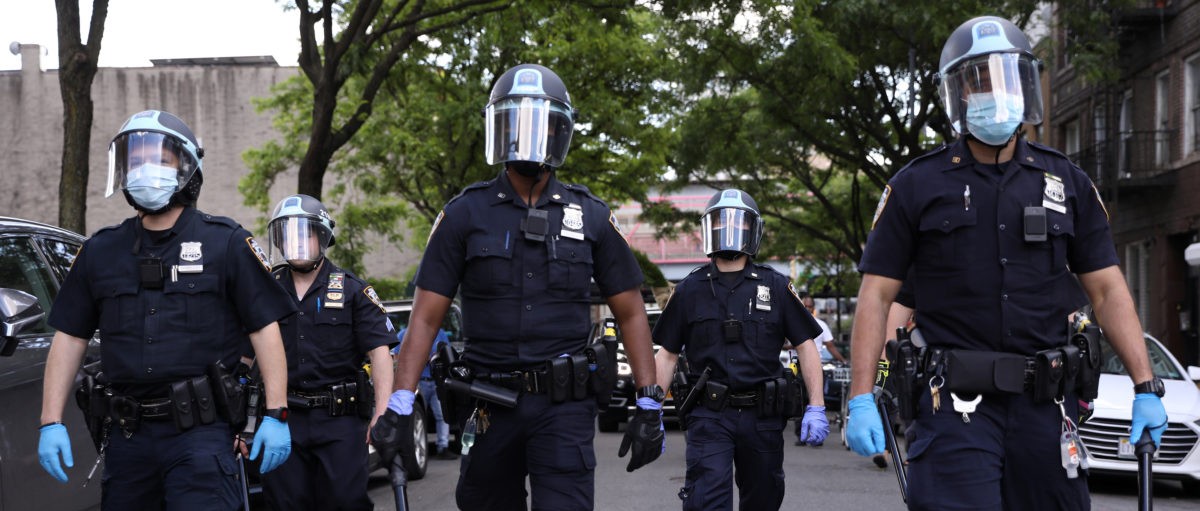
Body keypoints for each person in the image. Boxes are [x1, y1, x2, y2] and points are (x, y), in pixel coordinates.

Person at [844, 16, 1168, 510]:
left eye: (1006, 77)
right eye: (977, 80)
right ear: (957, 95)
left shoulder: (1068, 183)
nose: (993, 92)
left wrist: (1146, 386)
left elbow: (1107, 290)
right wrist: (862, 396)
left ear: (1025, 85)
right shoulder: (916, 186)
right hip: (953, 409)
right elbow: (878, 294)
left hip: (1047, 407)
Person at [370, 63, 664, 510]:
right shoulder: (464, 214)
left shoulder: (591, 216)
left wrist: (648, 402)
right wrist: (400, 401)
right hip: (488, 404)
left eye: (540, 125)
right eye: (515, 122)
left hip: (563, 407)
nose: (526, 138)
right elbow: (426, 317)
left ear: (559, 134)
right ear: (498, 130)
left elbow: (630, 313)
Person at [37, 110, 296, 509]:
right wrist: (50, 421)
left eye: (159, 158)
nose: (145, 169)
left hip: (201, 436)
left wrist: (275, 414)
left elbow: (264, 328)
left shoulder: (225, 243)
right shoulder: (100, 251)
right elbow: (70, 336)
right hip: (127, 437)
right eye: (135, 159)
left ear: (187, 167)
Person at [652, 189, 827, 511]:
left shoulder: (775, 286)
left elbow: (806, 344)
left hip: (762, 415)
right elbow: (667, 353)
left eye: (738, 224)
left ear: (752, 231)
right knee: (705, 500)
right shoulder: (690, 289)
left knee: (764, 498)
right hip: (709, 414)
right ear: (709, 230)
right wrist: (650, 407)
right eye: (720, 223)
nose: (729, 231)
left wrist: (816, 406)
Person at [259, 194, 396, 511]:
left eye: (304, 233)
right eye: (288, 235)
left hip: (340, 420)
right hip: (284, 418)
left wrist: (382, 413)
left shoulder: (352, 289)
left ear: (322, 237)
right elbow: (246, 354)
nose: (296, 242)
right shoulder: (266, 289)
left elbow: (379, 353)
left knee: (345, 502)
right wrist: (240, 424)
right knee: (284, 503)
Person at [394, 326, 458, 460]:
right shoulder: (403, 334)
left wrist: (436, 357)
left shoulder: (440, 333)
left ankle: (443, 447)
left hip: (436, 381)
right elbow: (397, 358)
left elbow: (447, 353)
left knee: (441, 415)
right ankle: (411, 450)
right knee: (415, 417)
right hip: (418, 382)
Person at [791, 290, 842, 446]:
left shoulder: (820, 325)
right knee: (799, 402)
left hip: (817, 366)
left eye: (809, 306)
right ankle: (801, 435)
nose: (807, 308)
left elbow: (830, 345)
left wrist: (842, 359)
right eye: (804, 306)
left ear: (813, 308)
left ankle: (817, 435)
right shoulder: (792, 323)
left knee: (816, 400)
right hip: (798, 367)